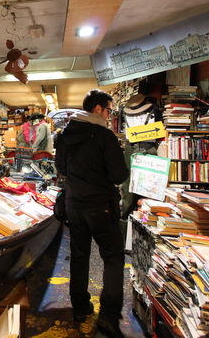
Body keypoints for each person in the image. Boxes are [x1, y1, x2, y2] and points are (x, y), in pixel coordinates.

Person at [55, 89, 129, 338]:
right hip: (101, 205)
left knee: (79, 255)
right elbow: (119, 175)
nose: (109, 115)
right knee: (113, 257)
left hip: (74, 204)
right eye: (109, 110)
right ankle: (108, 316)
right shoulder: (104, 136)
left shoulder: (65, 134)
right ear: (98, 109)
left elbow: (61, 167)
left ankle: (80, 307)